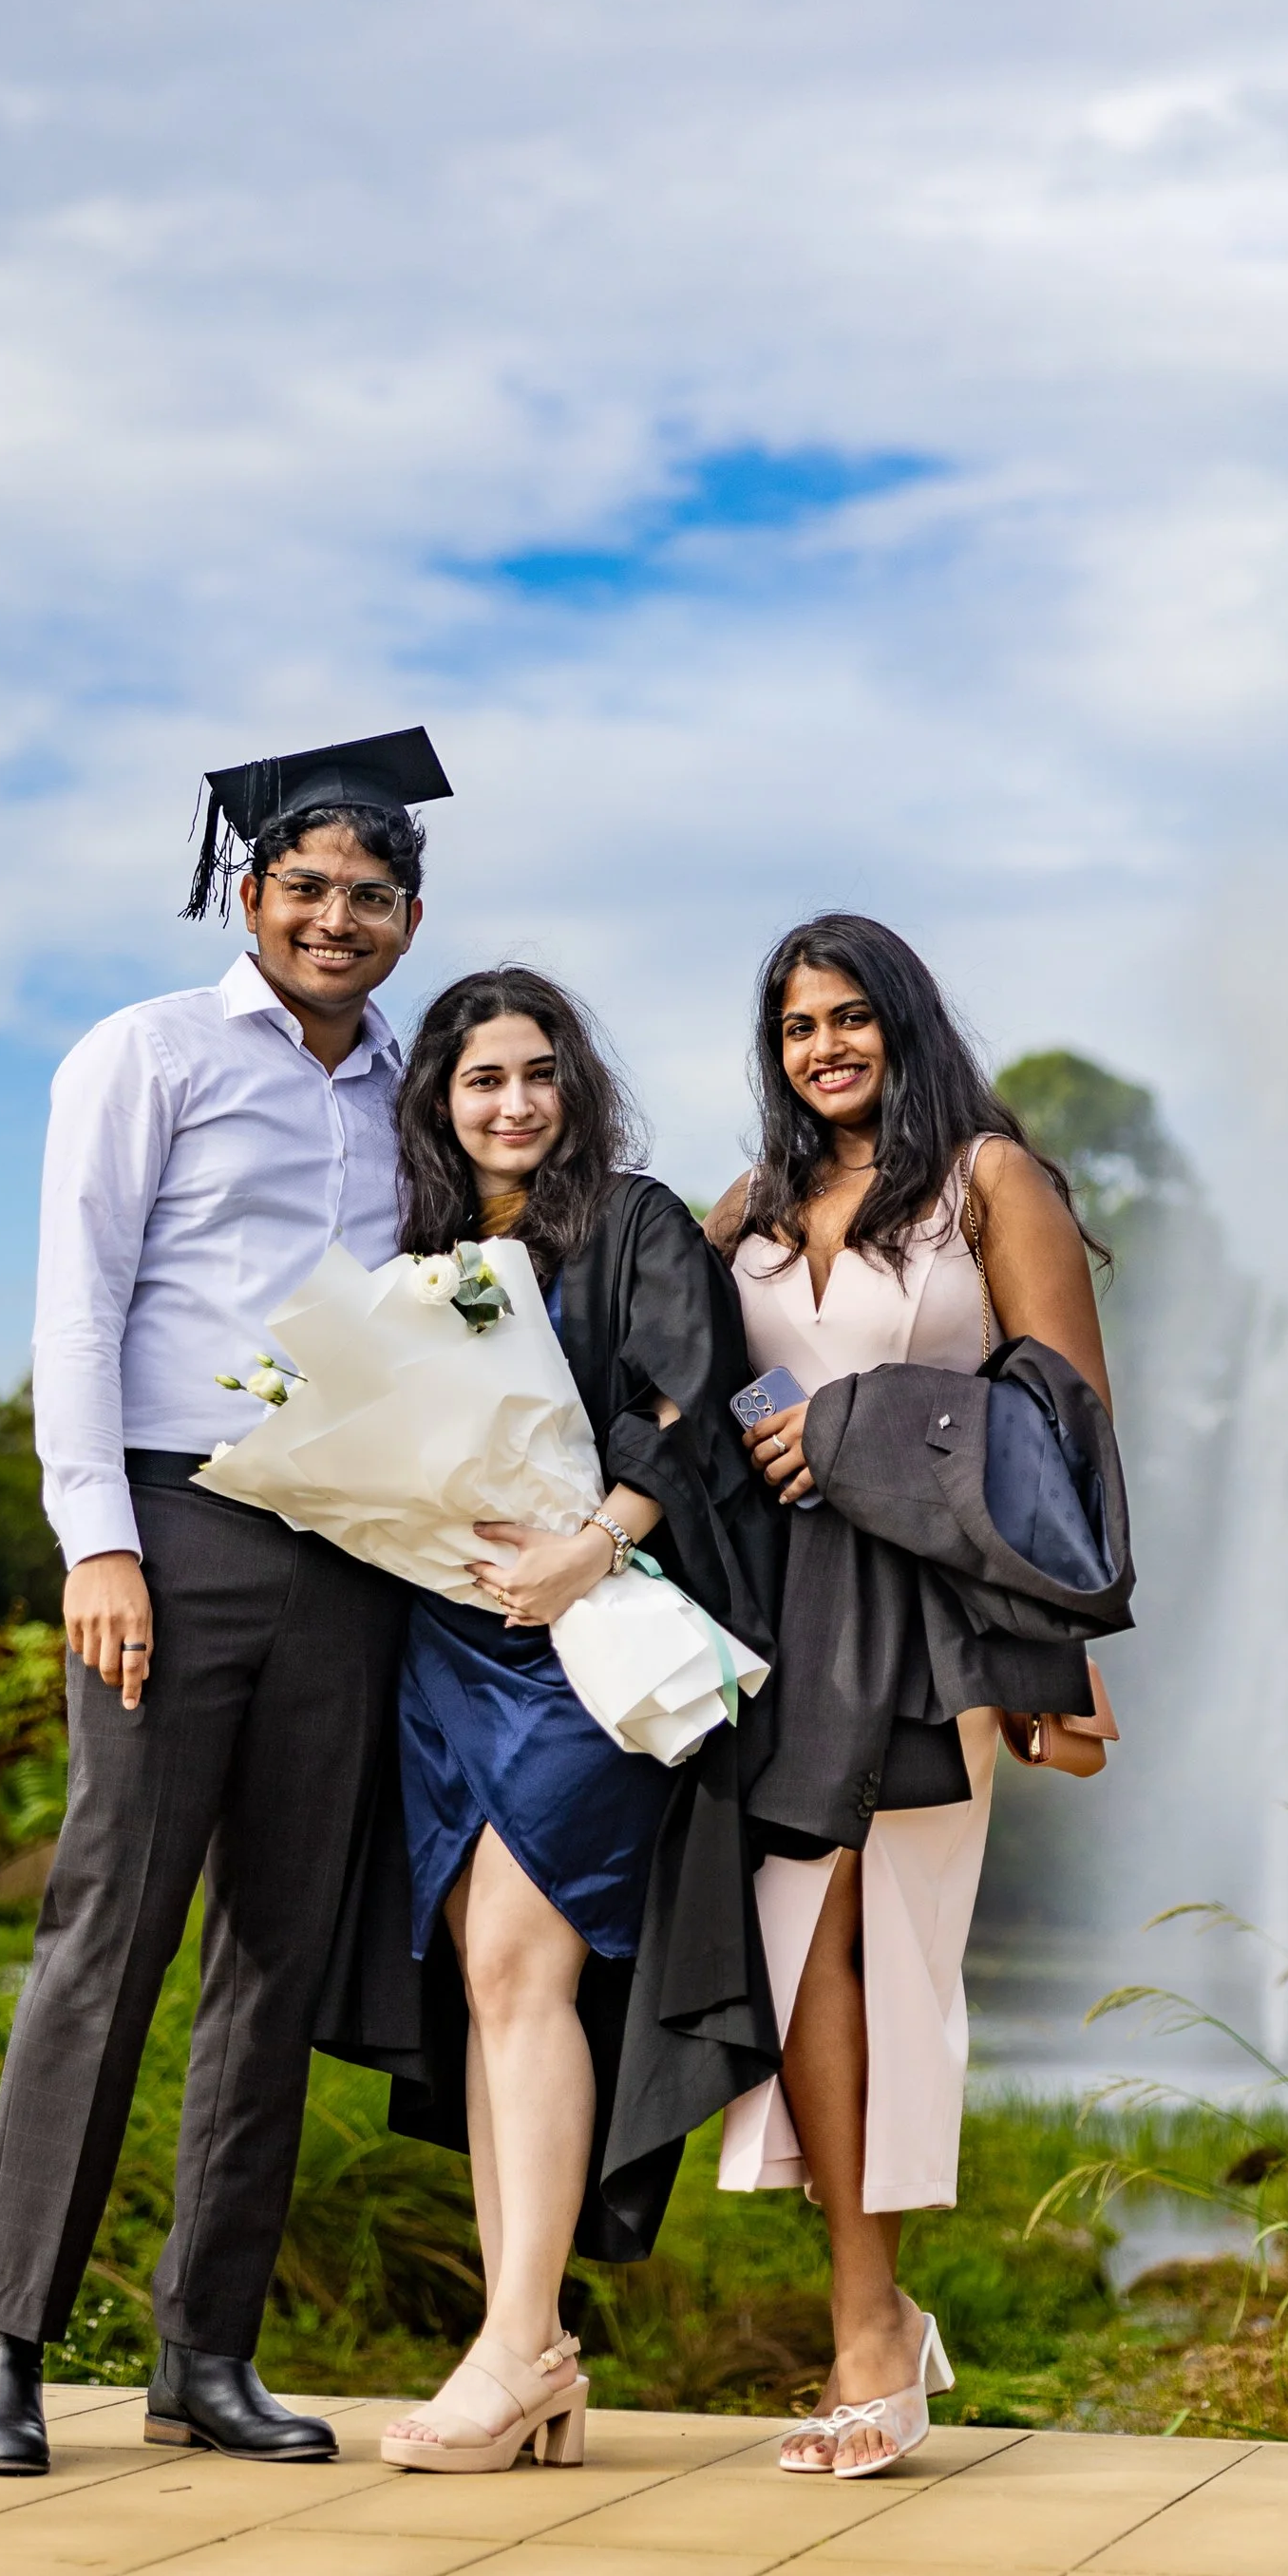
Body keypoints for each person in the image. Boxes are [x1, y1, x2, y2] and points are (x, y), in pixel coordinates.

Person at [0, 728, 449, 2478]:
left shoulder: (413, 1088)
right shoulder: (144, 1053)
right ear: (250, 893)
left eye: (368, 896)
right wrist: (96, 1540)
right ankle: (4, 2344)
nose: (334, 917)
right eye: (305, 886)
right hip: (172, 1531)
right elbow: (74, 1308)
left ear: (405, 917)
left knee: (275, 1962)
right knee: (110, 1933)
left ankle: (204, 2352)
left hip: (346, 1548)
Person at [707, 912, 1116, 2482]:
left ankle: (870, 2332)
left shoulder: (988, 1182)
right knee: (800, 1948)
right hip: (783, 1624)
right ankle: (874, 2310)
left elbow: (1065, 1415)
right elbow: (669, 1371)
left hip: (935, 1620)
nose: (826, 1047)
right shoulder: (748, 1205)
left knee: (891, 1953)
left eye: (852, 1016)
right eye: (800, 1024)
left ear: (906, 1021)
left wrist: (1062, 1657)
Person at [375, 965, 767, 2477]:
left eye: (539, 1072)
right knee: (489, 1979)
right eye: (483, 1080)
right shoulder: (421, 1254)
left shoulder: (638, 1221)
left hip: (590, 1638)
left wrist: (590, 1544)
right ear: (443, 1100)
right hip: (451, 1643)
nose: (516, 1101)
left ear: (574, 1081)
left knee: (525, 1967)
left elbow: (691, 1398)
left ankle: (519, 2343)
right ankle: (518, 2340)